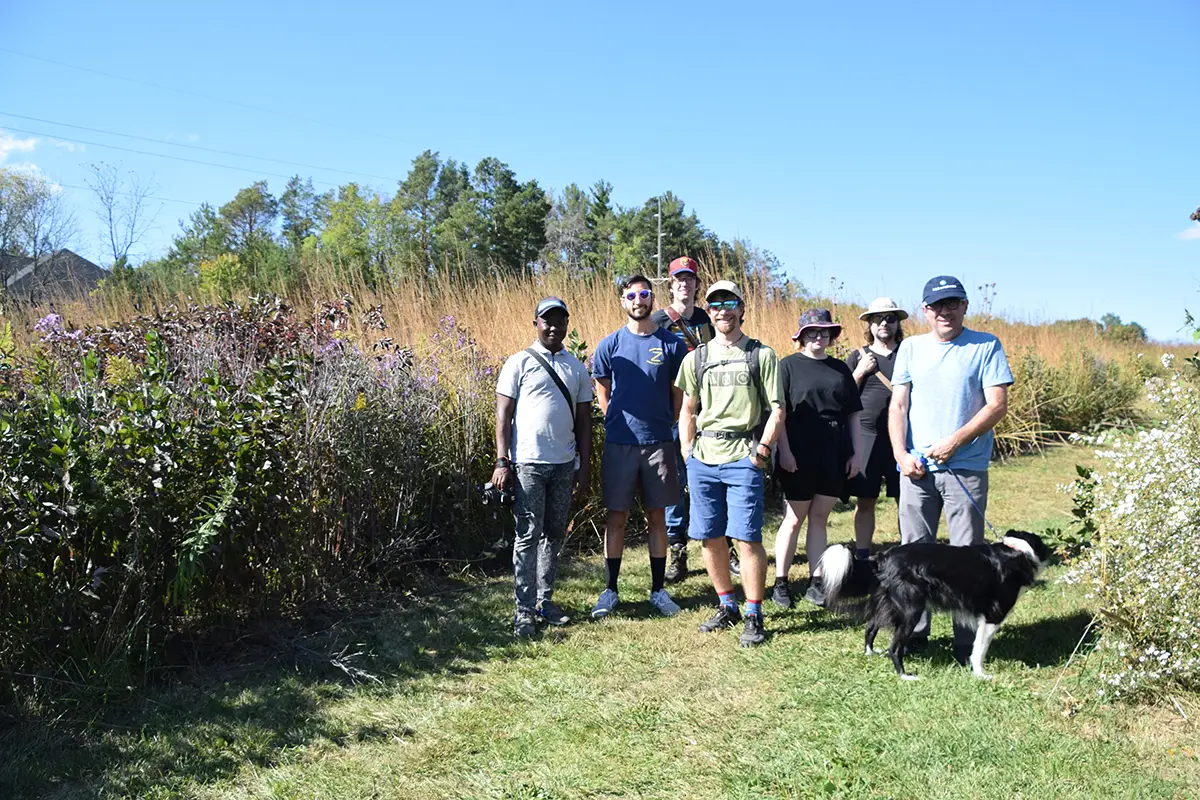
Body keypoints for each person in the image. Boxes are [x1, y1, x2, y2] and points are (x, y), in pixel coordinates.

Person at [889, 275, 1013, 663]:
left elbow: (996, 405)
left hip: (966, 468)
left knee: (966, 559)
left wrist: (954, 441)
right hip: (916, 470)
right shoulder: (910, 348)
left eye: (952, 303)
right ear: (925, 311)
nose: (945, 311)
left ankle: (965, 643)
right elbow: (898, 406)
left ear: (964, 306)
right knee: (914, 556)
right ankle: (915, 634)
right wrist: (900, 454)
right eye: (937, 305)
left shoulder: (985, 345)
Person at [676, 280, 785, 647]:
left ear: (742, 308)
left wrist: (762, 452)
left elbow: (777, 409)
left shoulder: (761, 354)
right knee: (709, 537)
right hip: (704, 458)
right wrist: (687, 451)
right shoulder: (697, 357)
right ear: (708, 311)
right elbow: (688, 409)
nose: (723, 310)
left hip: (743, 457)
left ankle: (754, 613)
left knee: (747, 538)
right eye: (716, 304)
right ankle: (727, 605)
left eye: (730, 302)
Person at [494, 297, 594, 638]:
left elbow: (584, 424)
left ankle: (543, 601)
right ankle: (524, 610)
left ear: (567, 325)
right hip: (527, 466)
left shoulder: (576, 368)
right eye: (546, 320)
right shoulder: (518, 363)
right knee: (527, 536)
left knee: (554, 535)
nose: (553, 327)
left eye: (560, 321)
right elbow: (503, 416)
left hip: (564, 465)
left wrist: (584, 467)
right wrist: (502, 460)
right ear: (535, 322)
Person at [590, 275, 688, 619]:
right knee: (615, 518)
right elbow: (602, 387)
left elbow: (679, 393)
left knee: (656, 518)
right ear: (623, 300)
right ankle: (610, 590)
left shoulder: (672, 344)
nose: (638, 300)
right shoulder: (609, 344)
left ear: (652, 299)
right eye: (631, 295)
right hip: (620, 443)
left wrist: (668, 421)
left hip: (658, 442)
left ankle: (658, 590)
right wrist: (613, 419)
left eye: (644, 294)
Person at [770, 309, 862, 609]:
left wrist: (856, 454)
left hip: (833, 452)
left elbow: (853, 415)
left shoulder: (840, 369)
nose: (819, 336)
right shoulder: (787, 366)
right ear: (801, 335)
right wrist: (784, 451)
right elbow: (779, 414)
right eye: (812, 331)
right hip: (797, 450)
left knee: (820, 519)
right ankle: (781, 583)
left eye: (824, 331)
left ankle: (817, 581)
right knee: (794, 519)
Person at [649, 256, 718, 583]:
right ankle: (678, 552)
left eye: (690, 278)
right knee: (676, 482)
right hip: (675, 412)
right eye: (679, 278)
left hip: (713, 410)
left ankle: (722, 543)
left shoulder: (710, 318)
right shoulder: (659, 321)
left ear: (696, 284)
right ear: (671, 283)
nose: (684, 284)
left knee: (714, 477)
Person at [843, 297, 908, 560]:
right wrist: (859, 372)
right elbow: (841, 396)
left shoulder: (908, 353)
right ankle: (862, 554)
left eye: (890, 318)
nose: (884, 323)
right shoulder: (858, 356)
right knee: (865, 500)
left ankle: (909, 551)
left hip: (903, 437)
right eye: (877, 319)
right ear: (869, 324)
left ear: (897, 323)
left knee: (906, 500)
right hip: (867, 437)